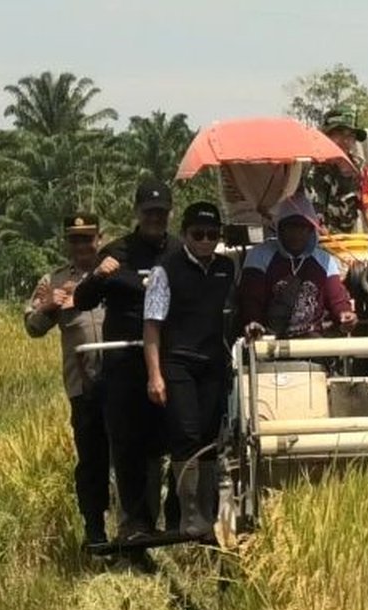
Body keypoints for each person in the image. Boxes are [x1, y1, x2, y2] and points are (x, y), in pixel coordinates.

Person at [73, 179, 178, 540]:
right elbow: (83, 299)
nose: (155, 218)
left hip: (169, 360)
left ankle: (175, 518)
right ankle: (134, 522)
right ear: (136, 213)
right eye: (149, 212)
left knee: (176, 438)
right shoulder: (116, 252)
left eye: (161, 212)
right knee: (128, 444)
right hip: (123, 363)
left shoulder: (180, 251)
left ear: (170, 214)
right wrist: (102, 276)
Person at [144, 202, 234, 538]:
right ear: (184, 235)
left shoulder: (227, 268)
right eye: (199, 234)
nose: (206, 240)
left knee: (211, 439)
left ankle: (209, 515)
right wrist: (155, 375)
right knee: (186, 436)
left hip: (213, 365)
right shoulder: (165, 271)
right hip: (178, 362)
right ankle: (190, 517)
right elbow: (151, 326)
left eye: (213, 234)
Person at [24, 213, 109, 548]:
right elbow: (32, 328)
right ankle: (95, 528)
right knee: (91, 459)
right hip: (82, 386)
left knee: (130, 454)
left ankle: (135, 526)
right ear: (67, 243)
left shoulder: (111, 273)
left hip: (120, 381)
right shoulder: (54, 279)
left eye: (87, 238)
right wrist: (48, 307)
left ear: (99, 239)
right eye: (75, 239)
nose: (82, 246)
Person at [239, 193, 357, 340]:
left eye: (303, 228)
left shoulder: (325, 260)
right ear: (280, 229)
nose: (296, 233)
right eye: (290, 227)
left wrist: (345, 313)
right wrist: (253, 321)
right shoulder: (259, 256)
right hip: (269, 339)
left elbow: (337, 299)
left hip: (312, 340)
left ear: (311, 230)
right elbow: (250, 299)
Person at [308, 106, 368, 272]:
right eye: (339, 133)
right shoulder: (306, 166)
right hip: (306, 248)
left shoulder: (361, 169)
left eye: (350, 135)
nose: (345, 140)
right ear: (325, 135)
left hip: (343, 249)